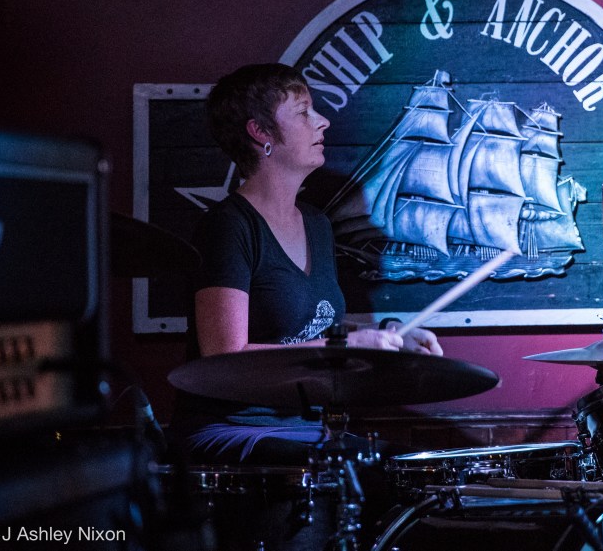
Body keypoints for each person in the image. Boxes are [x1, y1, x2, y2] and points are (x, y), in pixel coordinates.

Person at [165, 63, 441, 549]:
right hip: (230, 429)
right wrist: (345, 342)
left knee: (409, 471)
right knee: (360, 468)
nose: (323, 122)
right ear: (260, 133)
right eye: (303, 111)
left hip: (304, 427)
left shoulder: (316, 223)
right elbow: (222, 358)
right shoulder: (229, 228)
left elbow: (316, 324)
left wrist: (392, 337)